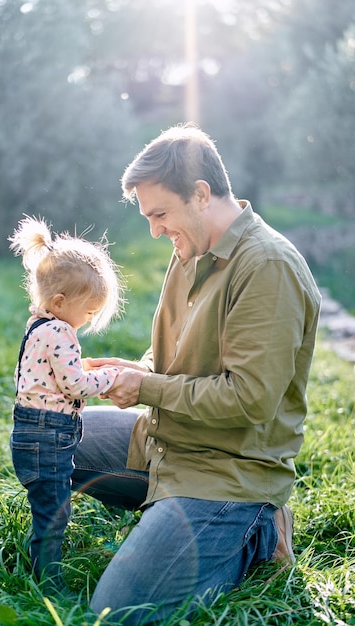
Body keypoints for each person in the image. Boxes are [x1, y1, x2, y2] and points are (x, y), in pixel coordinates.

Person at [72, 124, 321, 624]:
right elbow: (182, 359)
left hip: (227, 473)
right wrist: (137, 370)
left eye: (160, 214)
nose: (155, 230)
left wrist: (147, 387)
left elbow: (250, 399)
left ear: (201, 195)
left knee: (117, 613)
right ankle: (170, 528)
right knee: (44, 439)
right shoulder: (191, 248)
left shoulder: (266, 266)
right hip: (166, 439)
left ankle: (257, 533)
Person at [8, 215, 124, 597]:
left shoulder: (38, 325)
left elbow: (53, 376)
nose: (89, 321)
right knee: (54, 513)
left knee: (47, 508)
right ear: (61, 302)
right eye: (89, 312)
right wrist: (112, 379)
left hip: (33, 430)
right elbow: (74, 383)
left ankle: (34, 564)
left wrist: (82, 367)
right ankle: (49, 586)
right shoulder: (60, 331)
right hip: (47, 434)